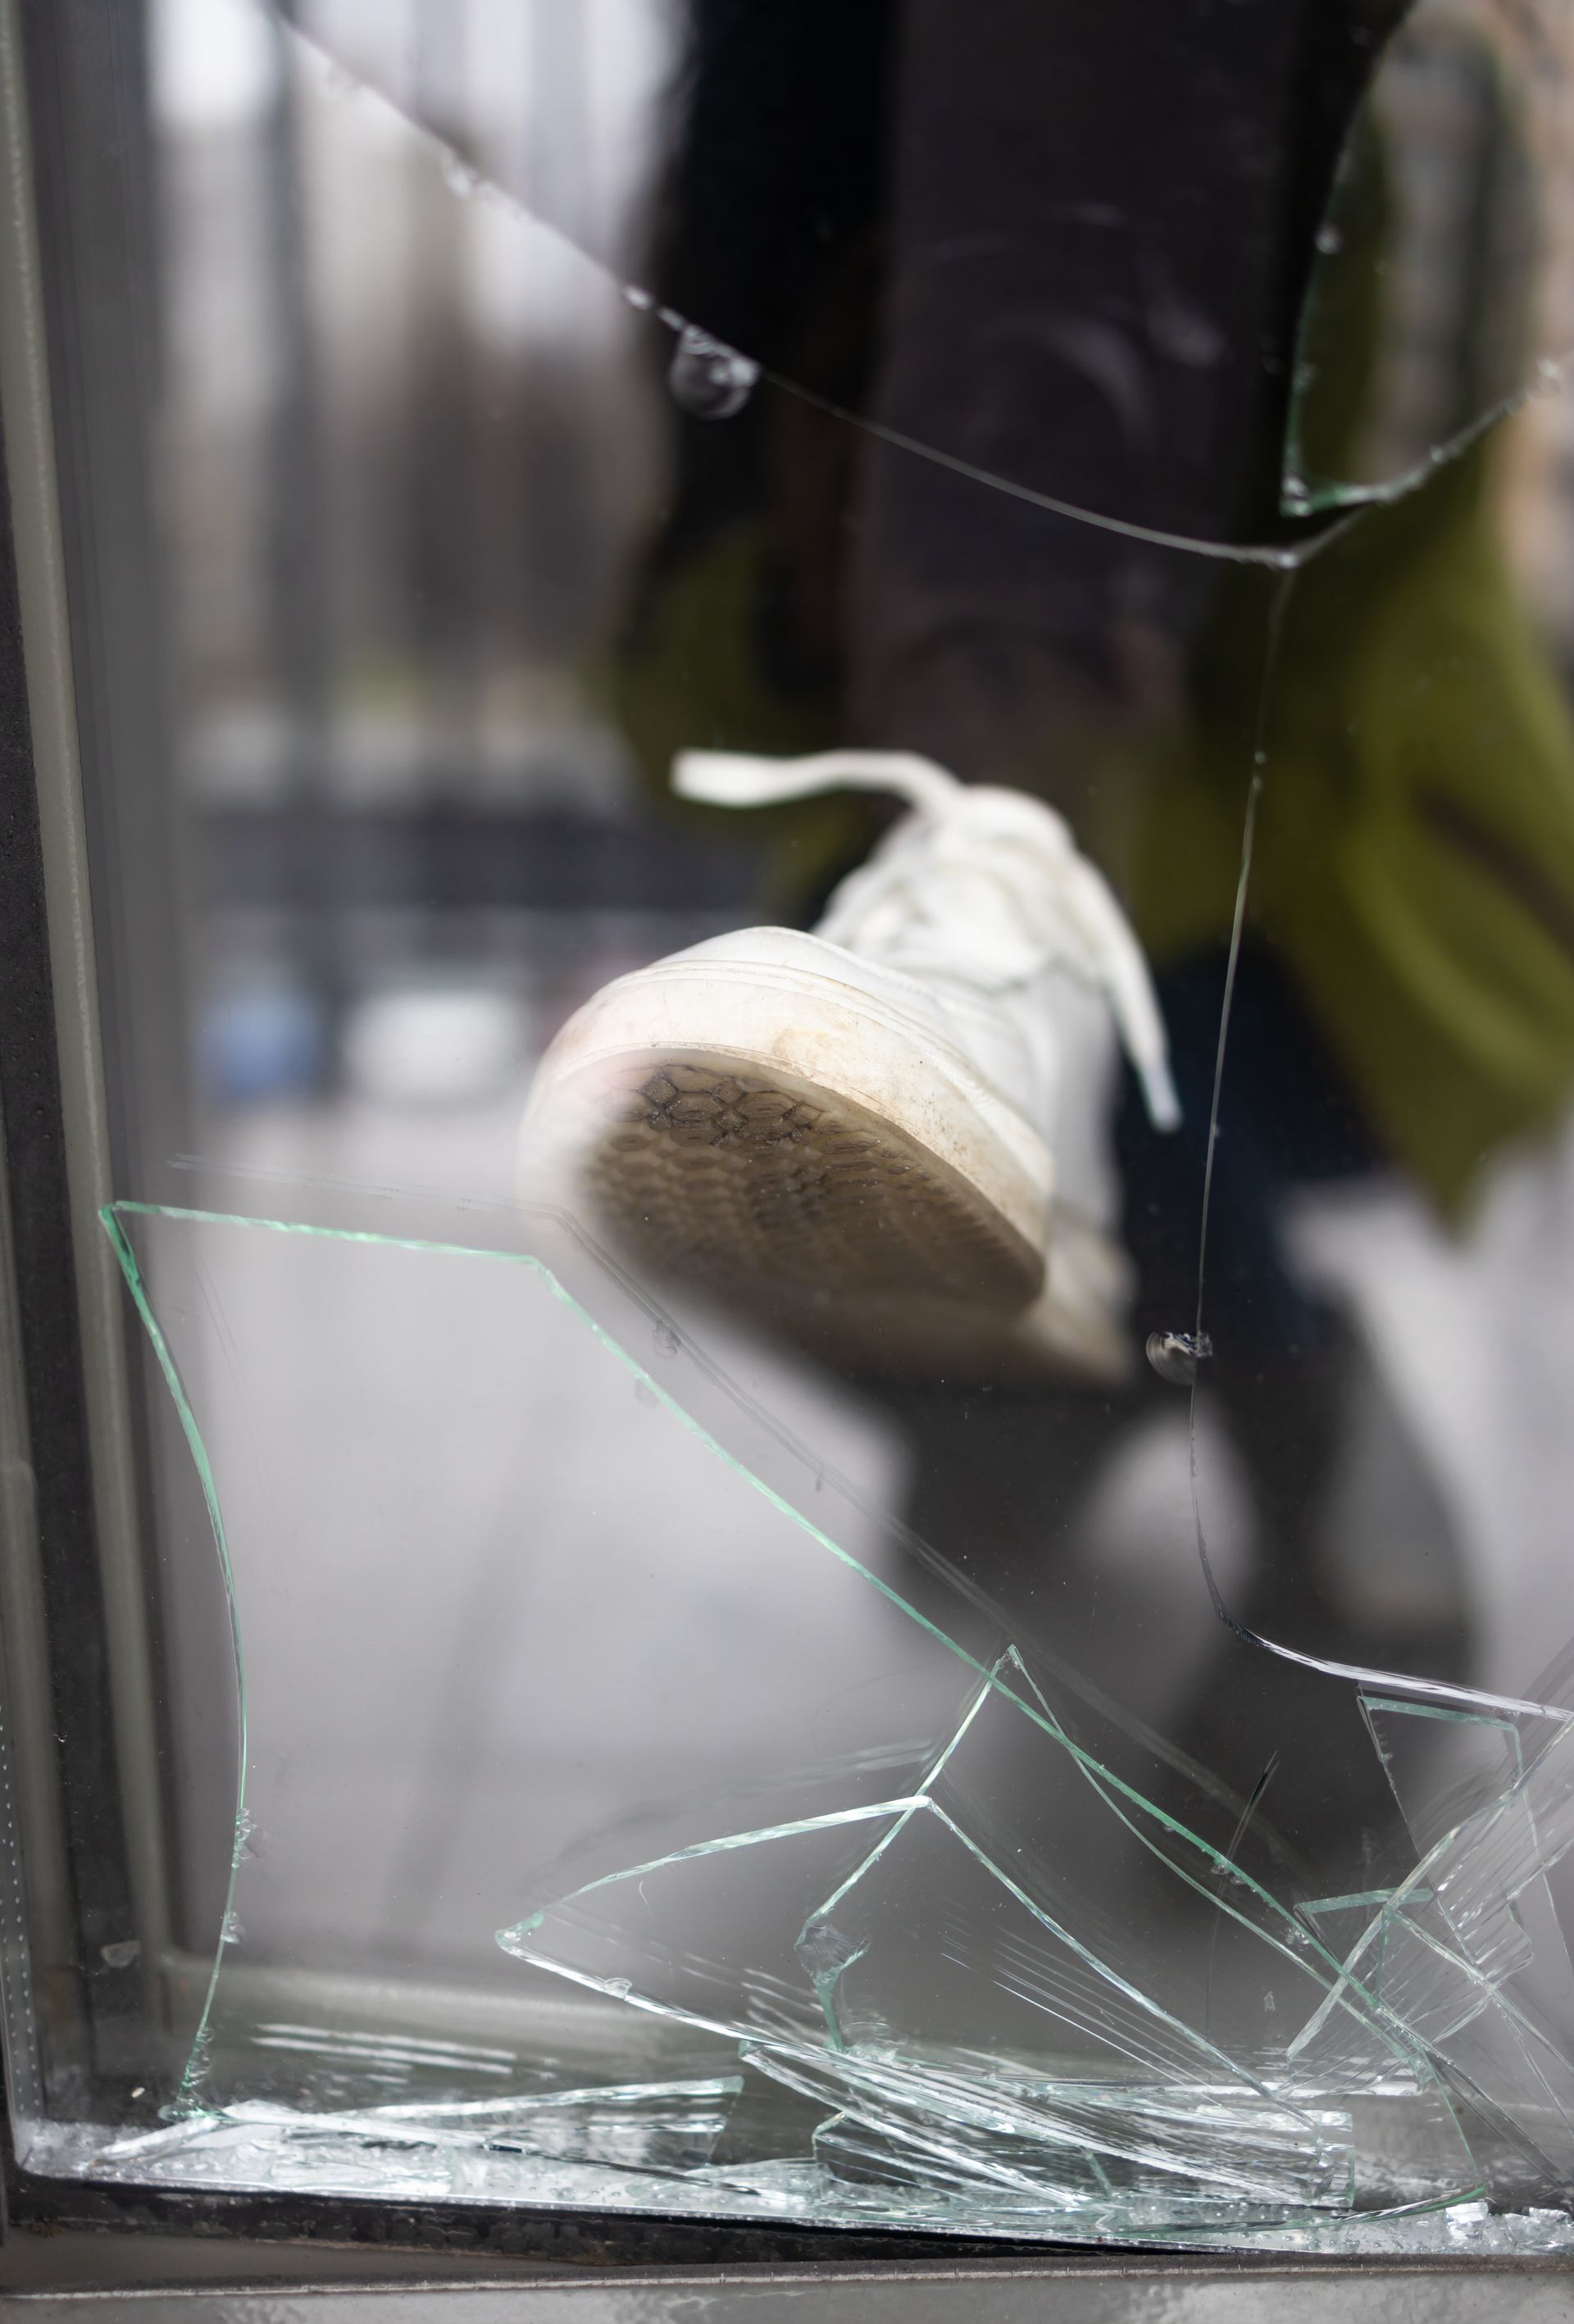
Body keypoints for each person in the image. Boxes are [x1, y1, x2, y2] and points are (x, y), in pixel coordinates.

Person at [524, 0, 1574, 1859]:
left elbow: (1336, 636)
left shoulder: (1399, 94)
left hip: (1363, 888)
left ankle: (1346, 1515)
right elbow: (678, 719)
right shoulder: (825, 133)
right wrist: (814, 607)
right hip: (1064, 886)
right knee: (688, 1104)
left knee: (1115, 1050)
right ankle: (1069, 1389)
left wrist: (1053, 689)